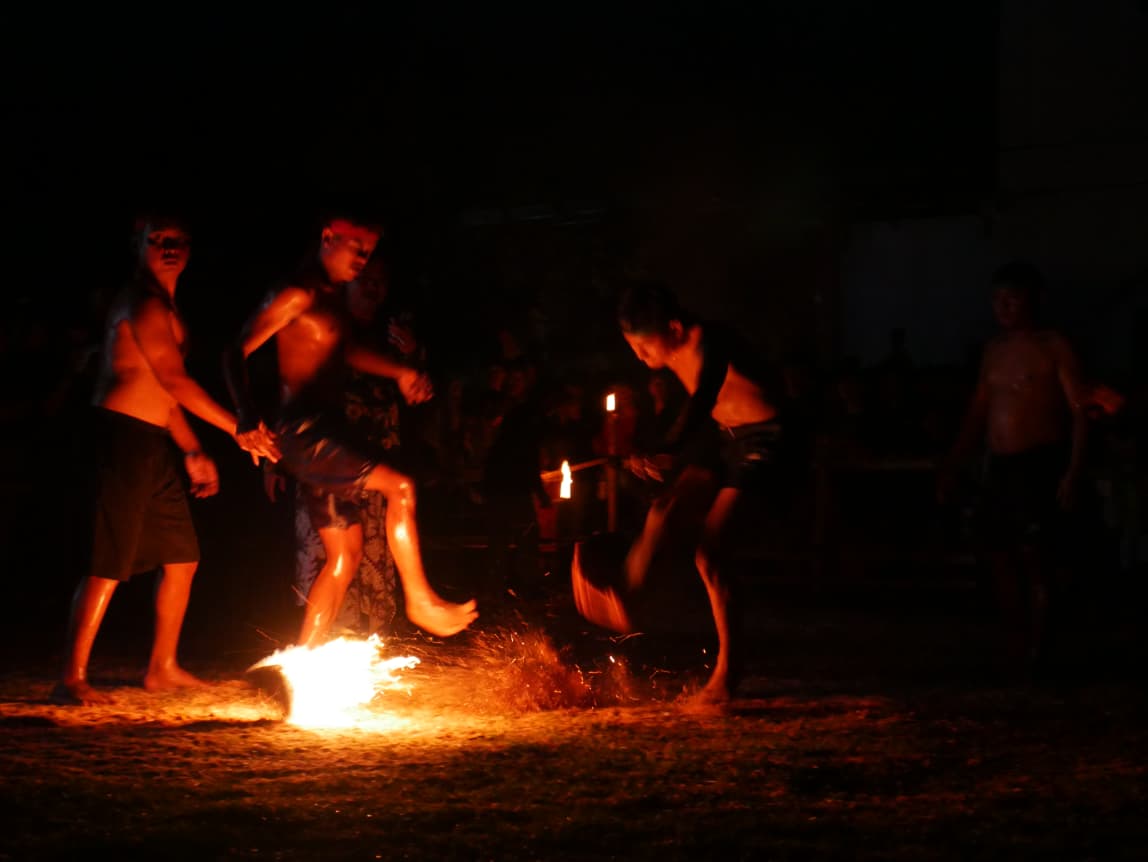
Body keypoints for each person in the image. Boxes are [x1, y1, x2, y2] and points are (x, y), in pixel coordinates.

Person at [223, 208, 477, 648]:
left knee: (345, 555)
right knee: (400, 488)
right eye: (357, 247)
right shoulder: (296, 293)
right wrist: (246, 415)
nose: (363, 259)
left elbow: (347, 352)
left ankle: (302, 662)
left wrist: (399, 372)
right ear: (327, 237)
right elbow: (232, 350)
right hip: (306, 435)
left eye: (370, 251)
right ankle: (420, 601)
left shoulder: (331, 297)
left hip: (325, 430)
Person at [57, 213, 279, 705]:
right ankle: (71, 677)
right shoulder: (143, 303)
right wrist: (237, 428)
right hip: (121, 439)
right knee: (107, 562)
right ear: (138, 246)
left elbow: (166, 391)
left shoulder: (167, 306)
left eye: (176, 240)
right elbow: (175, 380)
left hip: (152, 440)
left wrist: (194, 449)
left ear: (190, 247)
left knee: (182, 557)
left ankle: (162, 668)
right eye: (156, 240)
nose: (167, 247)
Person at [573, 282, 789, 705]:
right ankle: (623, 597)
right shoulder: (670, 352)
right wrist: (661, 453)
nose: (640, 356)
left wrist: (668, 446)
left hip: (768, 437)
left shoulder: (710, 339)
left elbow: (706, 393)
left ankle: (729, 670)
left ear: (673, 327)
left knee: (710, 551)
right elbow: (707, 413)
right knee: (664, 510)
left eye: (644, 345)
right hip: (725, 439)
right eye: (632, 347)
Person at [937, 260, 1089, 675]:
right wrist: (954, 463)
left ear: (1032, 301)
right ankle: (1015, 641)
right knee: (999, 556)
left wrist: (1073, 472)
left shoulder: (1053, 345)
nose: (1002, 307)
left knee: (1036, 557)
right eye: (997, 299)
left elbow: (1080, 412)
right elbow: (977, 413)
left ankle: (1041, 650)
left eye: (1012, 298)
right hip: (1000, 467)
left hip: (1040, 463)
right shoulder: (993, 351)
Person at [264, 254, 412, 637]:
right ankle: (326, 640)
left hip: (372, 448)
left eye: (381, 279)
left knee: (360, 551)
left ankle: (358, 640)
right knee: (330, 549)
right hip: (322, 449)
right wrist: (271, 452)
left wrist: (406, 363)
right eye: (365, 276)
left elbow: (412, 392)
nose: (373, 286)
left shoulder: (391, 333)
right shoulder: (317, 317)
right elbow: (289, 386)